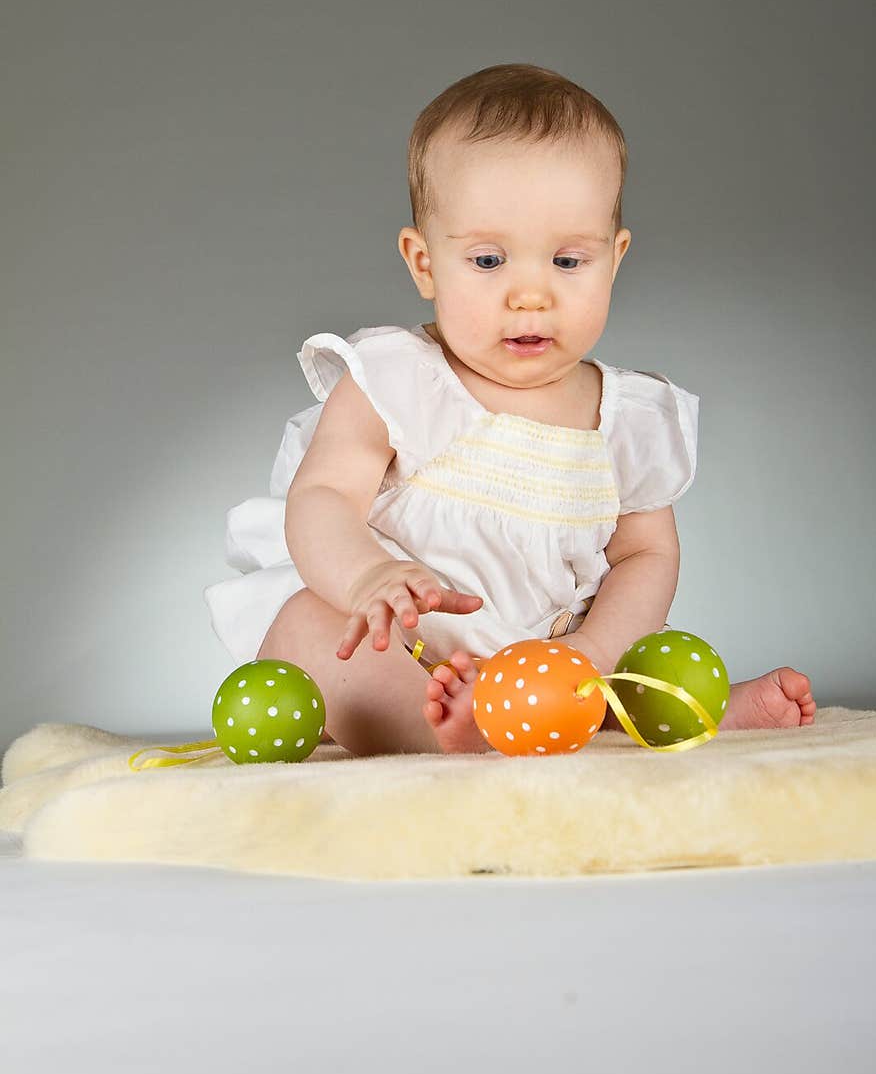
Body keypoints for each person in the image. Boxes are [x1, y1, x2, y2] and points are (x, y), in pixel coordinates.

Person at [204, 63, 816, 756]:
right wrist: (367, 576)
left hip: (549, 657)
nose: (532, 294)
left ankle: (639, 708)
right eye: (490, 261)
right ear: (424, 262)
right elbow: (320, 498)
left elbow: (647, 554)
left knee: (642, 654)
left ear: (613, 261)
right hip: (404, 644)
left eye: (567, 260)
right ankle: (441, 728)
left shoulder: (627, 417)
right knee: (310, 633)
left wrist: (590, 651)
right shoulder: (395, 381)